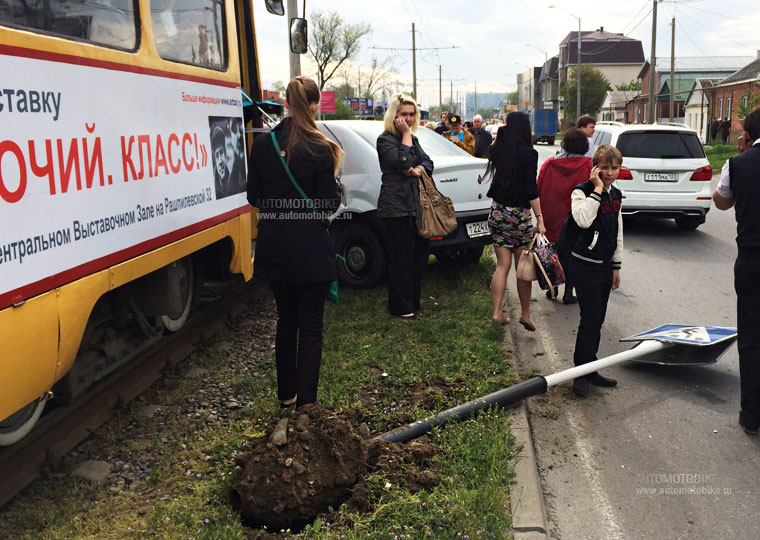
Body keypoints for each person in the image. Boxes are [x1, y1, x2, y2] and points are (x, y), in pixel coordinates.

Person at [246, 76, 343, 409]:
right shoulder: (320, 148)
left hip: (274, 249)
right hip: (311, 251)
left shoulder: (263, 145)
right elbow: (329, 204)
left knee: (286, 321)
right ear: (314, 105)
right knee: (311, 327)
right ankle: (308, 404)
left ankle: (287, 395)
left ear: (286, 103)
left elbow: (253, 196)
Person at [711, 107, 760, 436]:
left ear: (747, 135)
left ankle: (752, 415)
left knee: (753, 339)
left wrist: (741, 160)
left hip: (752, 262)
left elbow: (721, 202)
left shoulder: (737, 164)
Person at [565, 145, 624, 396]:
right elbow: (583, 219)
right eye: (605, 168)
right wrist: (597, 190)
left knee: (597, 319)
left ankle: (591, 368)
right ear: (595, 168)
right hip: (584, 264)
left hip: (604, 266)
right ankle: (580, 372)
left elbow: (618, 230)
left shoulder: (617, 194)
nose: (610, 173)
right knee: (589, 319)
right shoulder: (582, 191)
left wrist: (616, 266)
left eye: (615, 168)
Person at [486, 111, 545, 330]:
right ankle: (526, 314)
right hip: (519, 216)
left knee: (502, 265)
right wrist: (540, 218)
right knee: (523, 267)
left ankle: (496, 312)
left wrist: (501, 134)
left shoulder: (498, 149)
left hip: (498, 212)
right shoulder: (530, 154)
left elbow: (492, 148)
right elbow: (531, 188)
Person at [376, 93, 434, 319]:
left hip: (416, 204)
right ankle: (400, 306)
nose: (408, 119)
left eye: (412, 115)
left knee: (420, 254)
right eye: (404, 115)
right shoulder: (385, 140)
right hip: (395, 206)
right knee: (402, 256)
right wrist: (406, 136)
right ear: (394, 116)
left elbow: (428, 162)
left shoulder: (414, 140)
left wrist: (417, 170)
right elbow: (403, 162)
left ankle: (413, 301)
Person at [536, 128, 593, 304]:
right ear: (584, 146)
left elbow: (538, 188)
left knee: (553, 253)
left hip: (551, 216)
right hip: (575, 219)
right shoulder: (589, 166)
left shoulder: (550, 164)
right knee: (572, 256)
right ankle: (569, 293)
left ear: (565, 144)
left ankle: (553, 289)